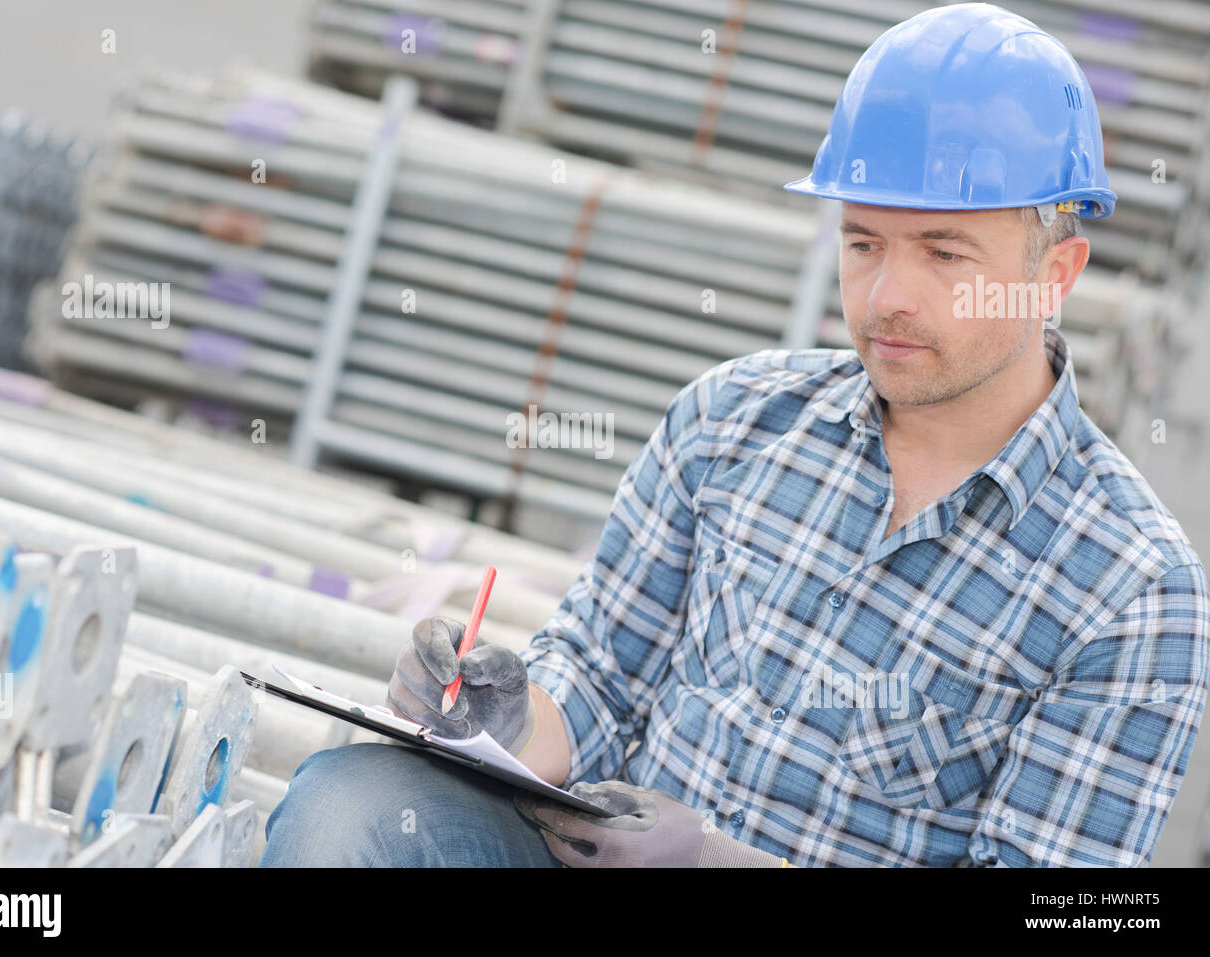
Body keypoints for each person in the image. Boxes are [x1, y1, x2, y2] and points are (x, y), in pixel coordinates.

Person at [260, 2, 1207, 867]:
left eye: (944, 253)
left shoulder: (1132, 590)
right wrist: (503, 723)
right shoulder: (734, 421)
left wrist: (716, 863)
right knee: (356, 806)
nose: (886, 298)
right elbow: (598, 675)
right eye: (863, 242)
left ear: (1056, 272)